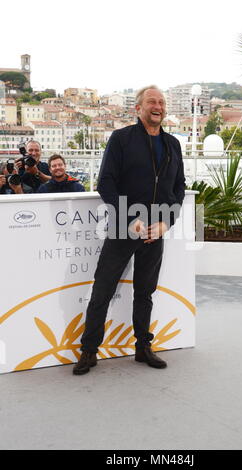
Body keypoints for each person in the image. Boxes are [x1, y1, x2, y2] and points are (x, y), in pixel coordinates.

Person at [73, 85, 185, 375]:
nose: (157, 105)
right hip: (125, 227)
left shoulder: (173, 144)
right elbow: (106, 183)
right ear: (139, 108)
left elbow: (178, 188)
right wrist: (129, 219)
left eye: (161, 101)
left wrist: (166, 222)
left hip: (156, 227)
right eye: (151, 101)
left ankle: (142, 347)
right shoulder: (121, 139)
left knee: (145, 293)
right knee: (103, 290)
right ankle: (88, 351)